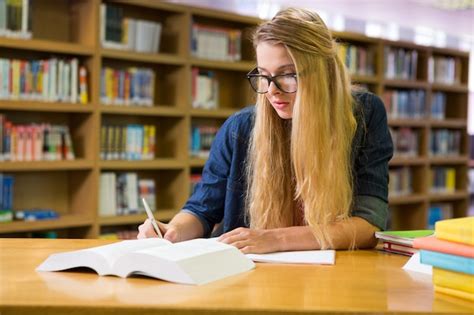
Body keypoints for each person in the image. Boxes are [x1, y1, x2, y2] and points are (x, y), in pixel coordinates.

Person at [137, 7, 393, 253]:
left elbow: (369, 225)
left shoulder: (364, 115)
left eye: (287, 75)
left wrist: (276, 238)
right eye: (263, 75)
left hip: (331, 277)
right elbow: (202, 210)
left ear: (323, 74)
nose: (271, 90)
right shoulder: (240, 128)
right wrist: (173, 231)